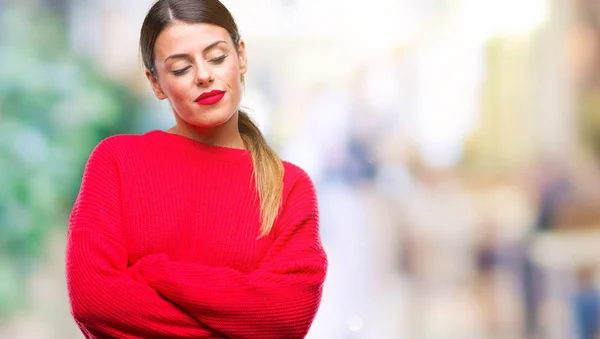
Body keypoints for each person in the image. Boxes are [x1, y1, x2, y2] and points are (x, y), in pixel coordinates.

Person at [65, 0, 328, 338]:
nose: (204, 75)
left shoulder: (289, 185)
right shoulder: (116, 160)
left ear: (241, 56)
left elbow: (287, 316)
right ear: (156, 83)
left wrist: (157, 275)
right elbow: (94, 300)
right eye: (180, 69)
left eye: (217, 57)